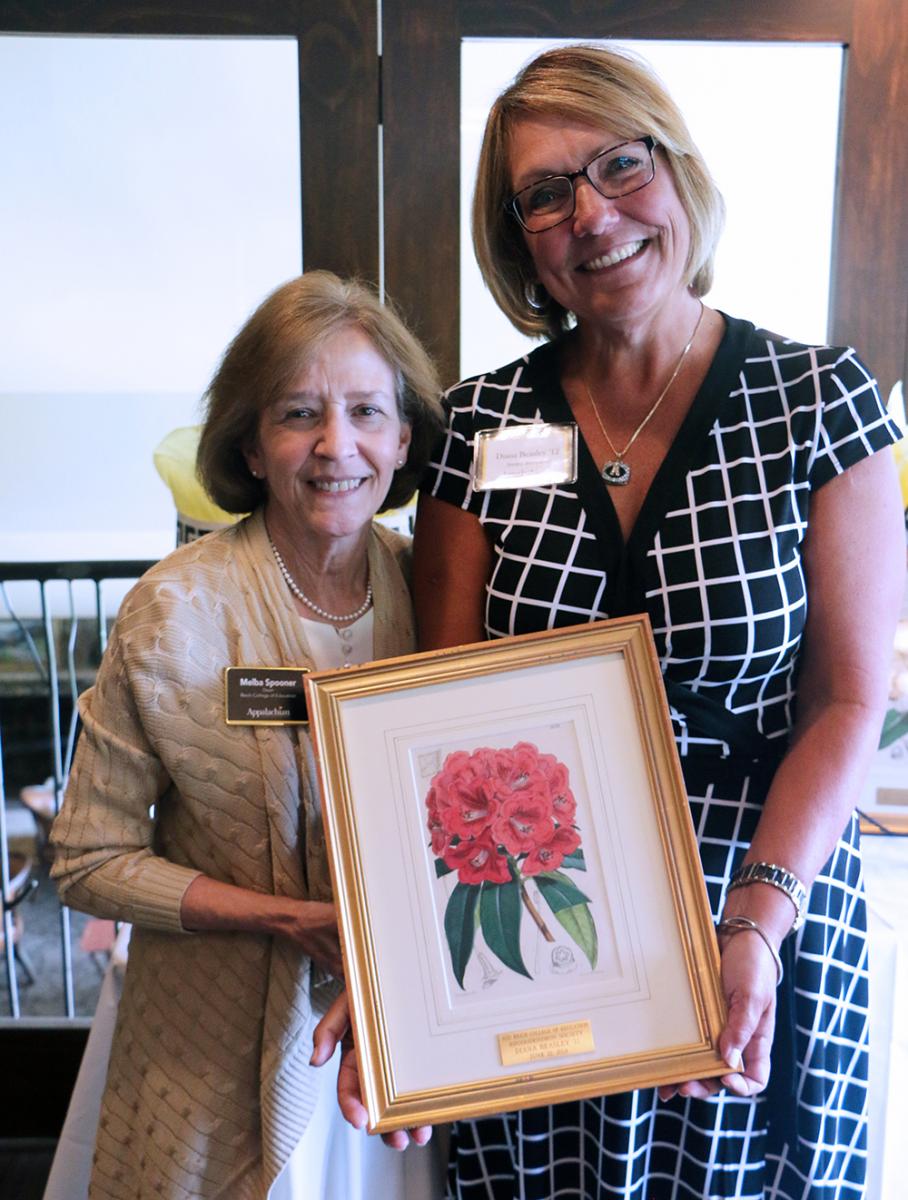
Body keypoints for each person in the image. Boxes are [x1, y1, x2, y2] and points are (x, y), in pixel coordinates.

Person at [409, 43, 905, 1200]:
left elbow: (847, 697)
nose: (591, 214)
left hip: (759, 906)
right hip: (541, 921)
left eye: (617, 166)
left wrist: (755, 922)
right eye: (543, 193)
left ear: (676, 175)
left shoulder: (818, 401)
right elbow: (436, 709)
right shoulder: (476, 425)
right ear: (517, 238)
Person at [50, 271, 445, 1199]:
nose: (335, 446)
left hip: (397, 1045)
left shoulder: (441, 595)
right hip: (205, 1046)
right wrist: (288, 919)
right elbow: (83, 858)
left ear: (403, 439)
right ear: (253, 446)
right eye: (298, 413)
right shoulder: (174, 608)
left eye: (366, 413)